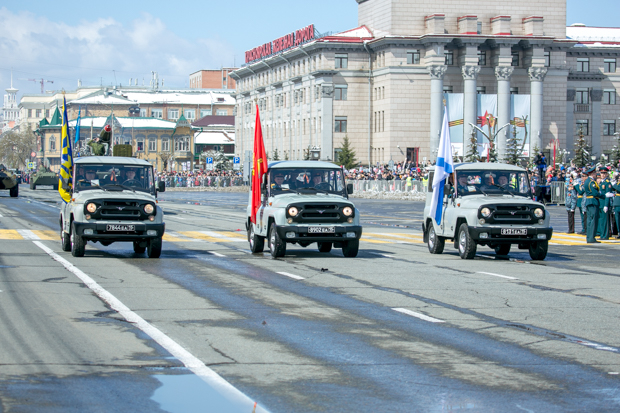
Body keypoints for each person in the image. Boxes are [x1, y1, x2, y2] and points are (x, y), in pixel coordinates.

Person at [584, 166, 602, 243]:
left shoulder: (587, 181)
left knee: (589, 221)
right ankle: (591, 238)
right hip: (593, 201)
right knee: (593, 221)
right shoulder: (591, 182)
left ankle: (589, 237)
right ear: (593, 173)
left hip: (588, 201)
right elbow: (594, 193)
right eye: (595, 173)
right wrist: (603, 195)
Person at [597, 167, 613, 240]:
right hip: (600, 203)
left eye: (604, 173)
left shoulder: (607, 183)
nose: (602, 175)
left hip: (604, 204)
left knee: (605, 220)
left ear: (606, 174)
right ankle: (602, 234)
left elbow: (608, 195)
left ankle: (605, 235)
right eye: (601, 173)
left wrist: (606, 205)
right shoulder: (601, 182)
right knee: (601, 220)